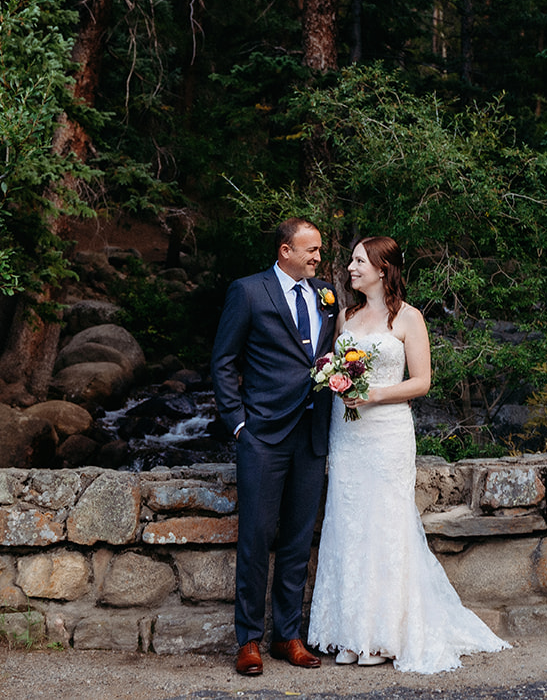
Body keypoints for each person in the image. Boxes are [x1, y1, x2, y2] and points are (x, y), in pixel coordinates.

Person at [306, 236, 510, 673]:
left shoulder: (408, 318)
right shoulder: (345, 315)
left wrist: (372, 394)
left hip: (386, 434)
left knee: (386, 524)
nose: (351, 268)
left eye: (360, 261)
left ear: (383, 269)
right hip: (346, 434)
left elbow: (422, 383)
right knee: (347, 523)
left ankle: (385, 633)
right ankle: (351, 633)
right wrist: (337, 382)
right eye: (353, 261)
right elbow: (334, 367)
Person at [211, 217, 339, 677]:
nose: (317, 257)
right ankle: (247, 641)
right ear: (285, 250)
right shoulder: (248, 291)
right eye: (310, 250)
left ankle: (288, 635)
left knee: (297, 540)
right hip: (262, 435)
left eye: (320, 250)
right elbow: (224, 361)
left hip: (312, 434)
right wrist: (239, 423)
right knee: (257, 536)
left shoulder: (326, 294)